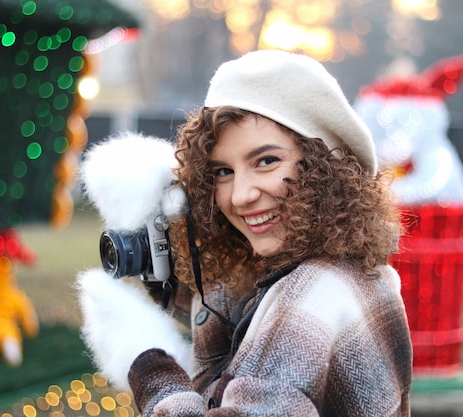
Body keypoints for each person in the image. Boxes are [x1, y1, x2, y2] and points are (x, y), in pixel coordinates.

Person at [83, 50, 412, 416]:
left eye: (266, 161)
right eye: (222, 171)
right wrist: (163, 253)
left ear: (326, 167)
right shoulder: (334, 270)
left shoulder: (313, 293)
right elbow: (235, 329)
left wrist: (145, 361)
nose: (241, 195)